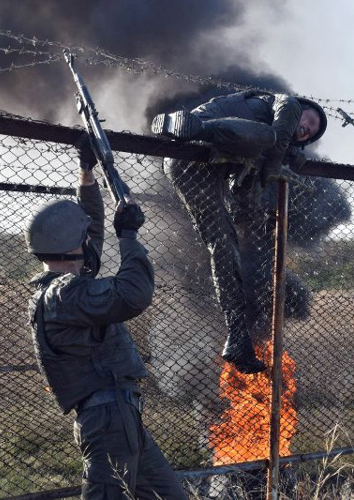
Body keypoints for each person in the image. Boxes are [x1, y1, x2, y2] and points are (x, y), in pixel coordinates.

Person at [24, 145, 187, 499]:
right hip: (109, 418)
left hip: (120, 416)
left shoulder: (65, 286)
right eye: (83, 239)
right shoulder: (66, 295)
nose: (90, 241)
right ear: (72, 246)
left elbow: (91, 230)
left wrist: (87, 174)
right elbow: (133, 293)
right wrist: (128, 238)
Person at [151, 90, 327, 373]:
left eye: (311, 132)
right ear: (303, 109)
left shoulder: (263, 150)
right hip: (195, 140)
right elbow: (280, 132)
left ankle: (237, 336)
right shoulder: (286, 106)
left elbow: (243, 197)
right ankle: (193, 126)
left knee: (222, 245)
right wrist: (274, 166)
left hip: (195, 169)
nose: (308, 129)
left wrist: (262, 181)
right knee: (270, 137)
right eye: (310, 120)